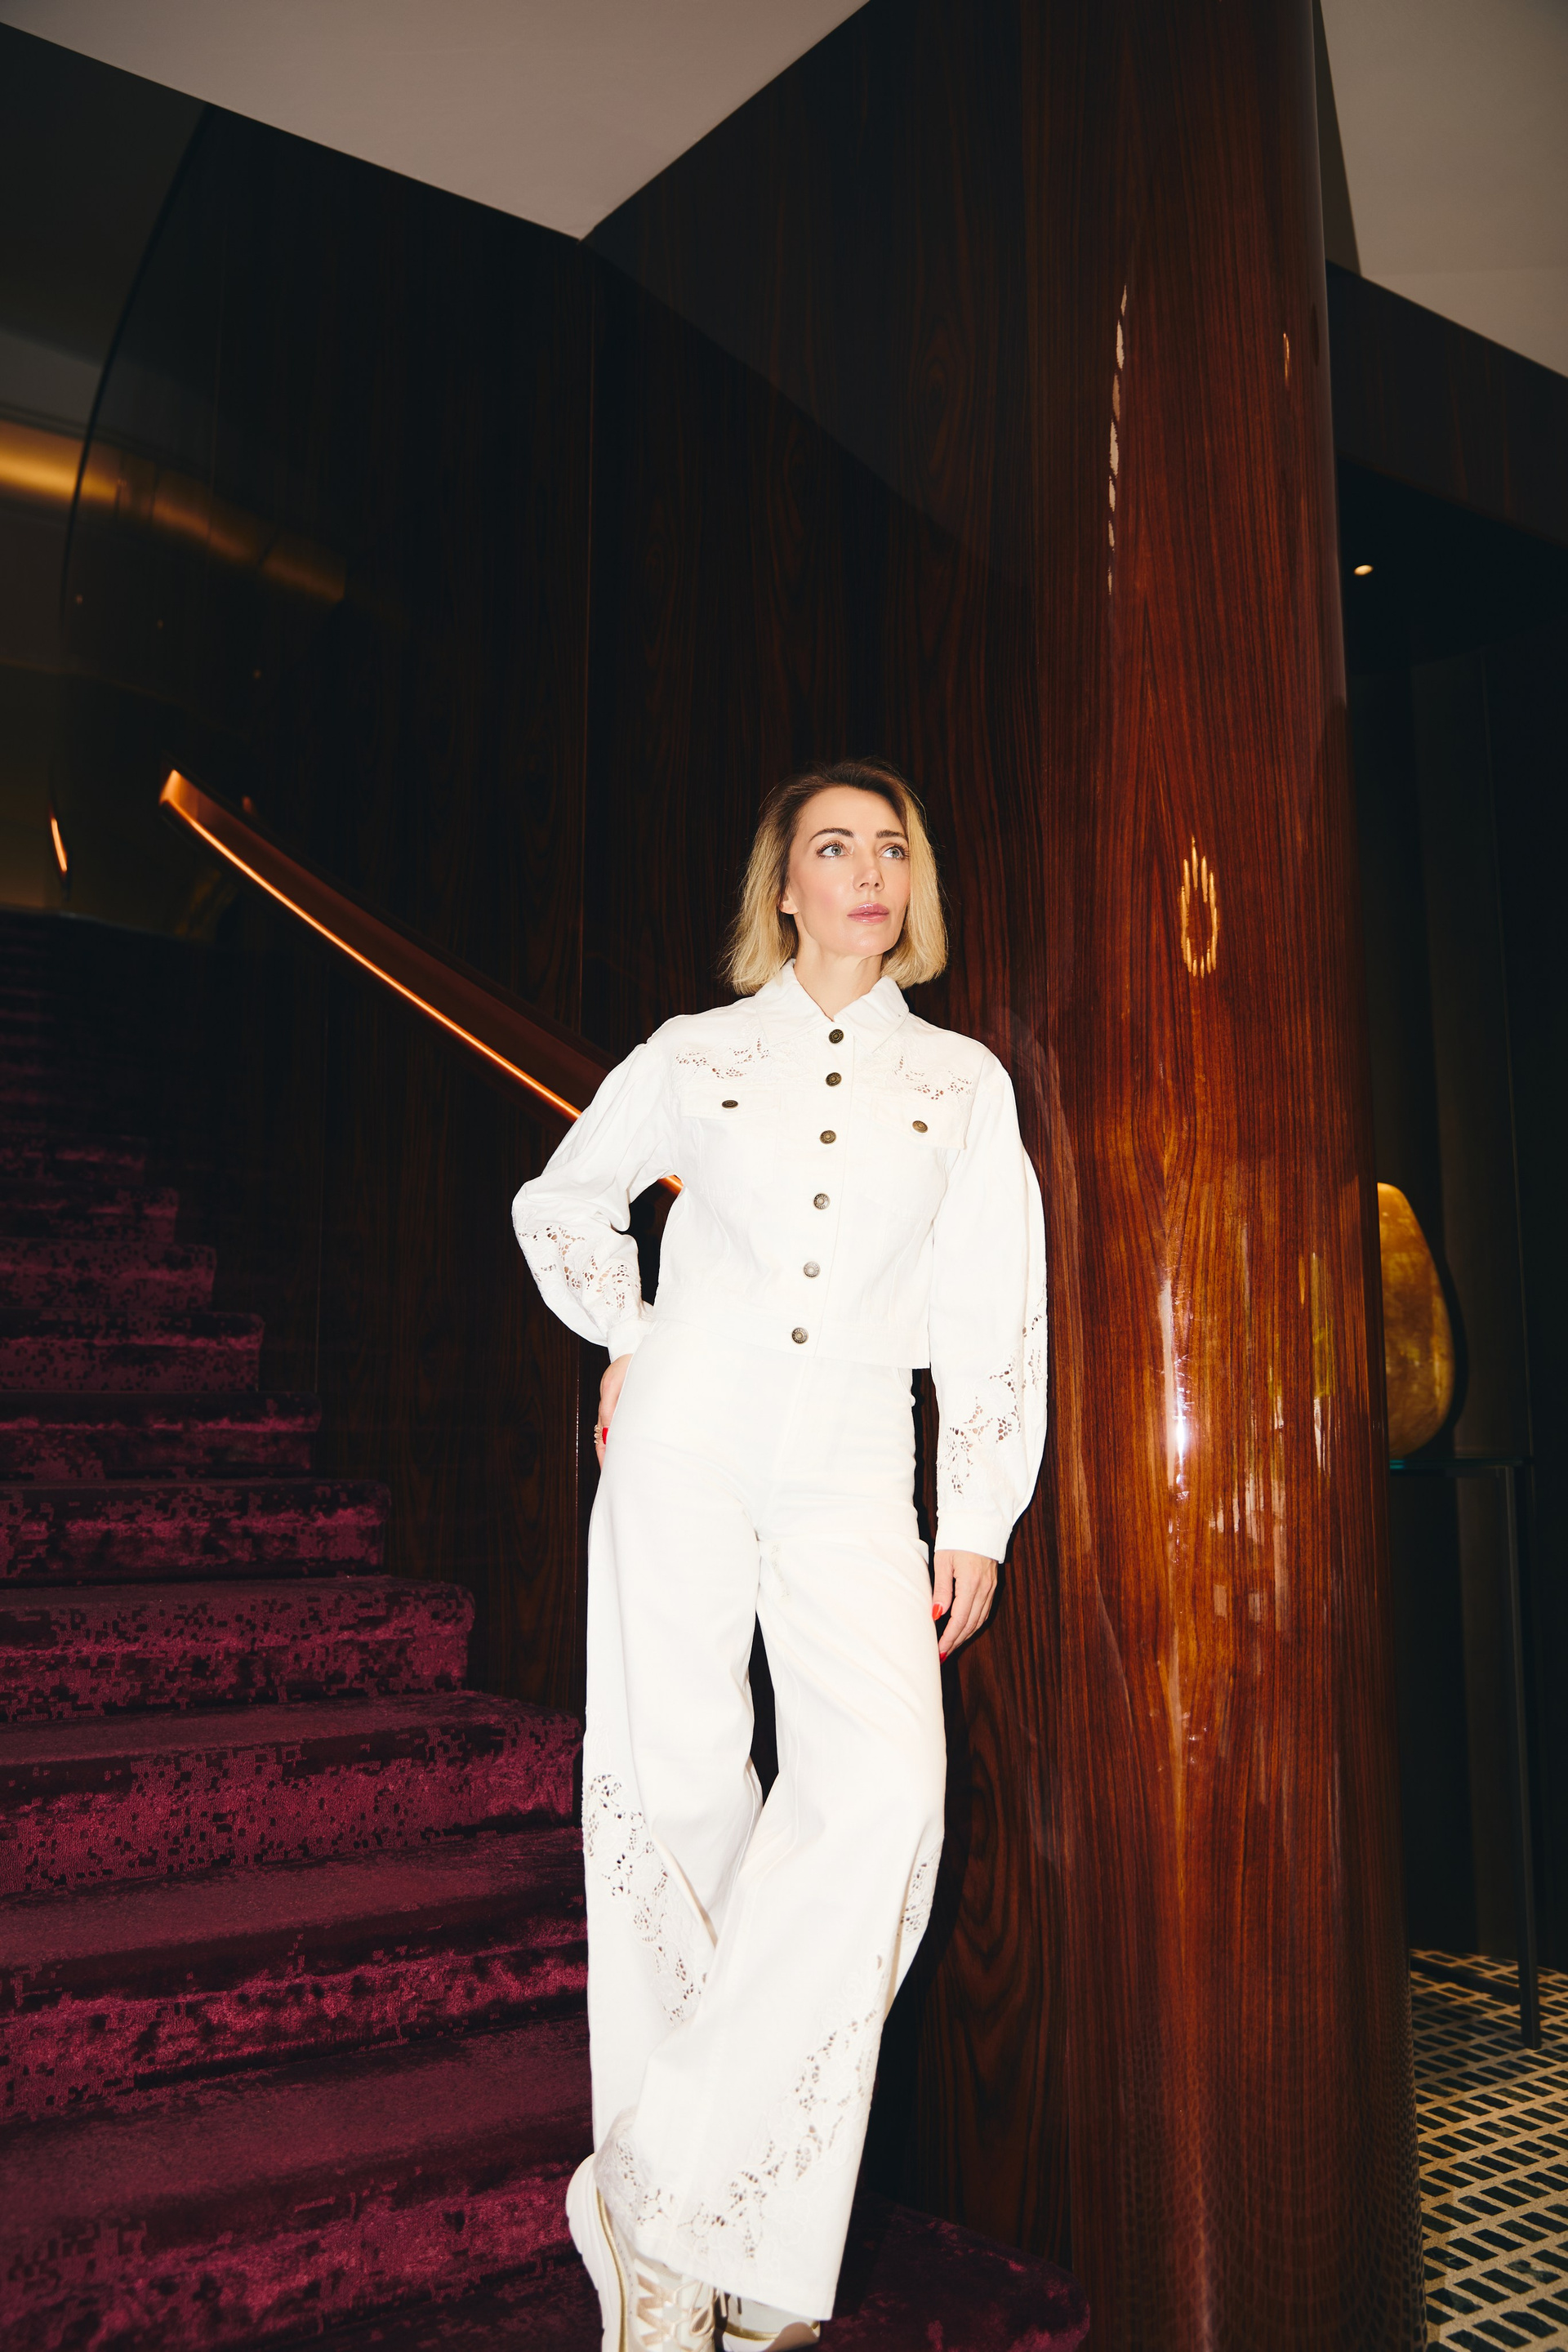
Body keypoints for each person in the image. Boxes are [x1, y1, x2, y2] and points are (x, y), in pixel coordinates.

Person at [512, 759, 1046, 2352]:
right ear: (787, 886)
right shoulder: (694, 1054)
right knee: (671, 1792)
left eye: (893, 848)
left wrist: (975, 1513)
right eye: (836, 846)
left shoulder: (961, 1085)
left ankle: (656, 2190)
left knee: (885, 1797)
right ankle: (700, 2267)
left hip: (856, 1458)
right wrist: (630, 1331)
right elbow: (565, 1203)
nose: (870, 870)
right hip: (686, 1424)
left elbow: (994, 1304)